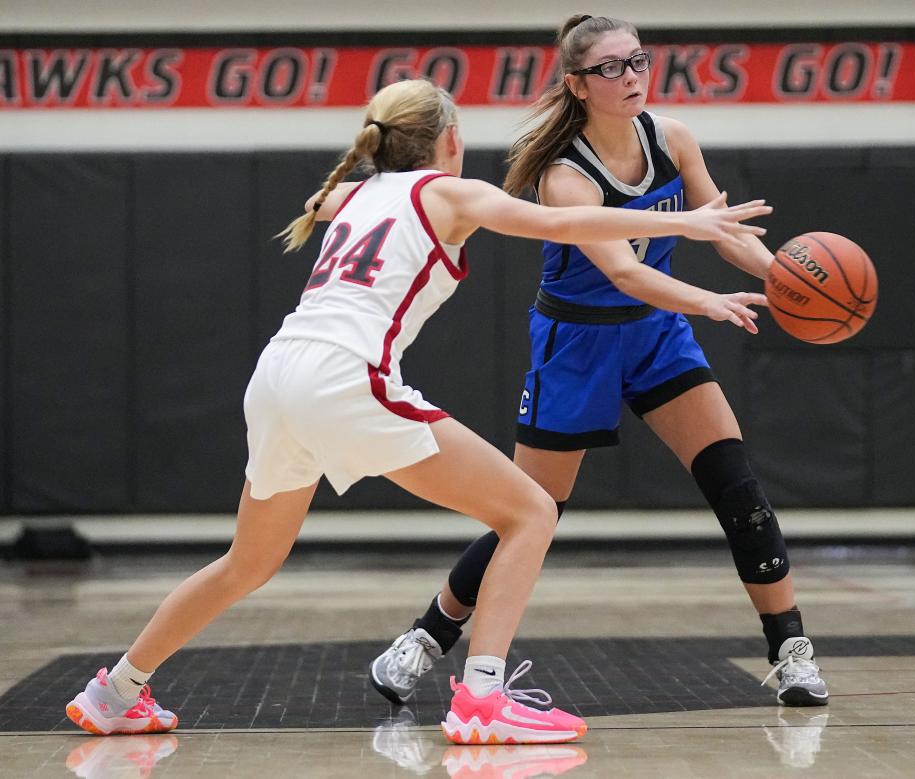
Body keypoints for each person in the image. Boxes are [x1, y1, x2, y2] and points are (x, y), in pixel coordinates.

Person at [63, 77, 770, 745]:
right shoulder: (449, 194)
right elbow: (559, 219)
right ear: (451, 139)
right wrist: (691, 222)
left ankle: (115, 690)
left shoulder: (353, 194)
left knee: (245, 562)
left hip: (277, 375)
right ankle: (484, 698)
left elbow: (326, 202)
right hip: (346, 378)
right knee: (530, 511)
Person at [369, 15, 828, 710]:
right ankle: (428, 635)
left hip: (655, 336)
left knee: (737, 486)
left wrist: (784, 280)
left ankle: (791, 650)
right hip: (576, 343)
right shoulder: (563, 174)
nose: (632, 77)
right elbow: (624, 273)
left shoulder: (672, 138)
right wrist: (705, 301)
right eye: (611, 67)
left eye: (638, 61)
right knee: (531, 510)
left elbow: (723, 228)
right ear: (578, 85)